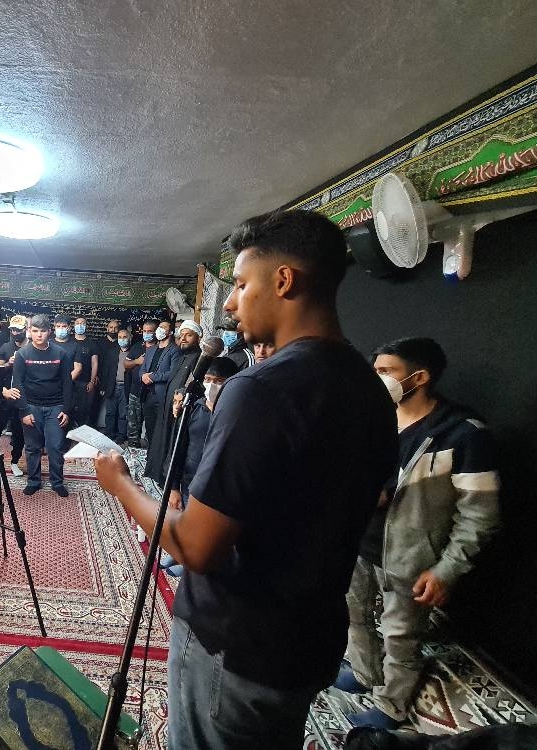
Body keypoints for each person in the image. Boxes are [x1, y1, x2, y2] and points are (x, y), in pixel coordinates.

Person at [95, 209, 398, 749]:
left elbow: (196, 547)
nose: (231, 304)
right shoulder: (369, 387)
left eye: (239, 284)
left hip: (235, 643)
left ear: (283, 281)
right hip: (307, 638)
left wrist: (121, 484)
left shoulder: (261, 389)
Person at [338, 337, 500, 730]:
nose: (377, 379)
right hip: (360, 543)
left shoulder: (463, 435)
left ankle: (391, 705)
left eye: (386, 371)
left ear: (420, 377)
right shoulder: (374, 418)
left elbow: (479, 515)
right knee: (354, 614)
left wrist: (447, 570)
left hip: (411, 554)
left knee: (401, 635)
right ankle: (363, 672)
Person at [159, 356, 238, 578]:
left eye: (219, 381)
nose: (212, 386)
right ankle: (178, 553)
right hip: (189, 477)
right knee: (184, 518)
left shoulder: (235, 412)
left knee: (203, 528)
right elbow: (179, 447)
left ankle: (190, 563)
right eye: (208, 380)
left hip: (215, 483)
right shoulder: (194, 408)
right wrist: (174, 486)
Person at [6, 314, 73, 497]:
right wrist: (24, 411)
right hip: (31, 406)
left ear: (49, 332)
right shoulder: (22, 354)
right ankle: (33, 481)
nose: (39, 335)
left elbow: (67, 383)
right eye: (35, 331)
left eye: (43, 331)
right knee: (32, 447)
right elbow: (17, 384)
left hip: (56, 406)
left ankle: (57, 482)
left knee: (55, 446)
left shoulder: (61, 354)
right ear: (30, 331)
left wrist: (66, 410)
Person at [144, 320, 205, 484]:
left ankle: (170, 482)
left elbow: (194, 386)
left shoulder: (199, 359)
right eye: (182, 335)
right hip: (168, 408)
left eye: (189, 335)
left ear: (198, 338)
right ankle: (159, 475)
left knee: (174, 445)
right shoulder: (182, 356)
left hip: (181, 411)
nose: (183, 339)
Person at [0, 315, 28, 477]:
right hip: (4, 396)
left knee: (19, 433)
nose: (15, 333)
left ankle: (14, 462)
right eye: (13, 330)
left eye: (18, 330)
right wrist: (8, 364)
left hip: (22, 398)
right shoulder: (6, 347)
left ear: (25, 329)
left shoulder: (32, 348)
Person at [139, 320, 179, 449]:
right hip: (147, 394)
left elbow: (173, 373)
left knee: (160, 428)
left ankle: (159, 453)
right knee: (149, 426)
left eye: (163, 327)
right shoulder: (151, 349)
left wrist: (152, 377)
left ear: (170, 332)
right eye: (159, 327)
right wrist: (143, 376)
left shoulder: (174, 350)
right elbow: (143, 368)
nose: (159, 329)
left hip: (162, 395)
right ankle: (151, 451)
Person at [125, 319, 156, 447]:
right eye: (145, 331)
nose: (147, 334)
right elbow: (126, 364)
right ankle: (133, 447)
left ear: (155, 332)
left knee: (151, 423)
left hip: (152, 393)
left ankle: (150, 449)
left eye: (150, 331)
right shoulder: (137, 346)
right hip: (135, 391)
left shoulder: (160, 348)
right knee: (133, 422)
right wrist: (136, 361)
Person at [100, 325, 132, 444]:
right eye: (120, 337)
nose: (122, 339)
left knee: (123, 414)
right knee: (110, 413)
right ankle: (109, 434)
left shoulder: (133, 352)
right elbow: (106, 370)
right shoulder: (112, 352)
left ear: (129, 338)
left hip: (126, 387)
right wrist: (103, 387)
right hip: (112, 386)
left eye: (124, 337)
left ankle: (121, 436)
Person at [70, 316, 99, 429]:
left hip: (85, 382)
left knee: (84, 410)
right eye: (77, 323)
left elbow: (95, 363)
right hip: (70, 381)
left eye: (82, 323)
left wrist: (92, 381)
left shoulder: (91, 343)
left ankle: (82, 432)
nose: (80, 325)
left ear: (86, 326)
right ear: (73, 326)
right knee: (69, 408)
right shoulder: (69, 341)